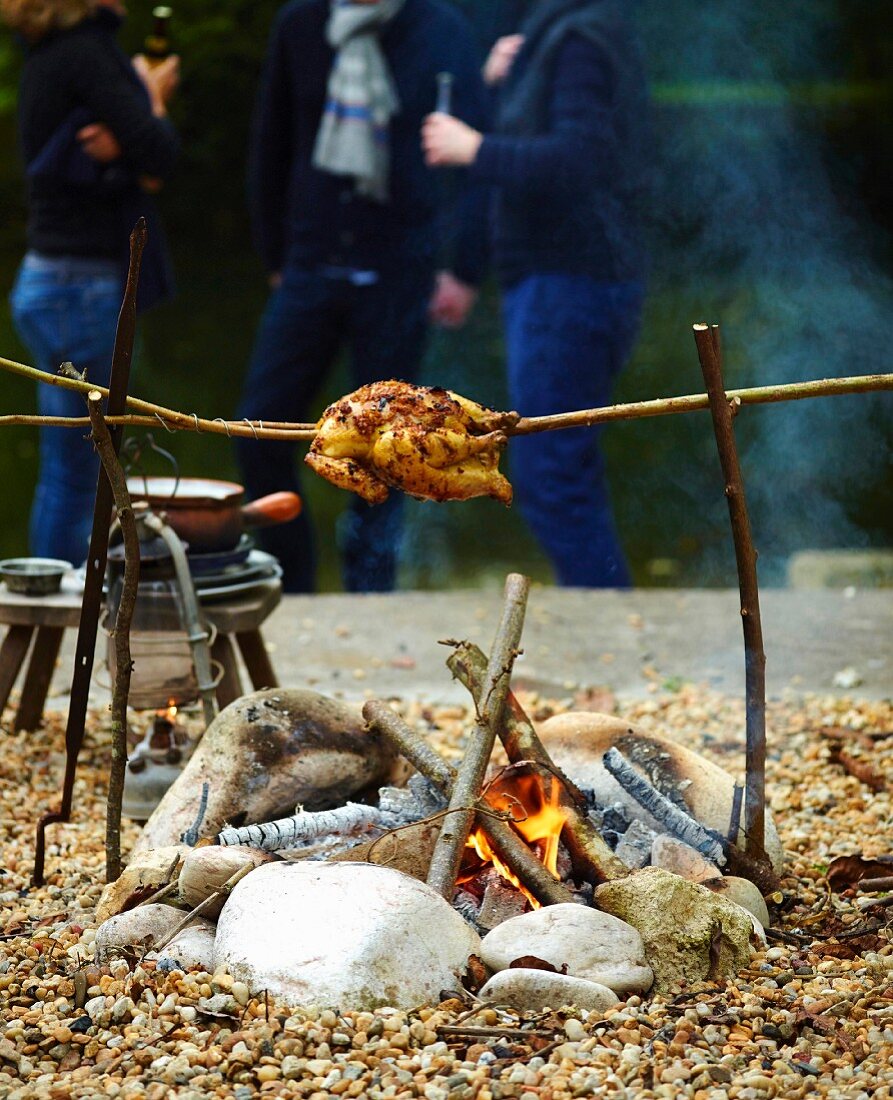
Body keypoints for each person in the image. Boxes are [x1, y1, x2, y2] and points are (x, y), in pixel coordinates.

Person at [236, 0, 489, 594]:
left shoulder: (440, 28)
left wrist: (464, 270)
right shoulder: (300, 24)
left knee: (394, 440)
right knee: (258, 426)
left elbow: (476, 164)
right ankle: (290, 585)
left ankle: (370, 593)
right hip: (310, 261)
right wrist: (276, 256)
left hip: (403, 267)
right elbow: (270, 143)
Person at [423, 0, 649, 587]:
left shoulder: (580, 39)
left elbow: (581, 161)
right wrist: (509, 82)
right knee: (558, 476)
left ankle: (614, 632)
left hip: (571, 284)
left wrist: (473, 148)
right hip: (566, 284)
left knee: (553, 480)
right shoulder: (558, 34)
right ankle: (615, 628)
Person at [3, 0, 179, 566]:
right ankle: (61, 602)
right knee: (82, 470)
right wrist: (153, 97)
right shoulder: (86, 53)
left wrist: (128, 142)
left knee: (70, 467)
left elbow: (140, 163)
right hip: (78, 288)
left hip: (53, 281)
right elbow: (160, 151)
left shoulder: (47, 55)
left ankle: (53, 598)